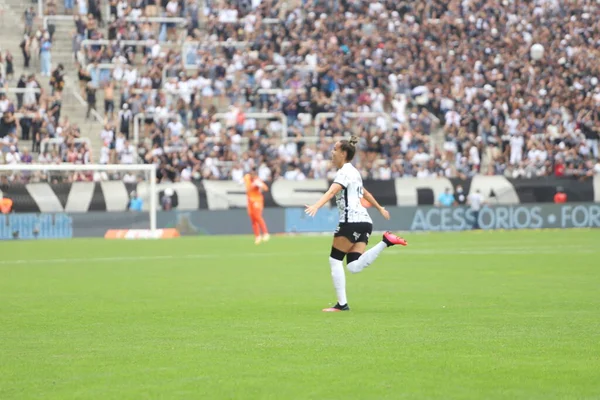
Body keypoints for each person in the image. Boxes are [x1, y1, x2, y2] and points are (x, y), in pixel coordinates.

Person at [305, 136, 408, 313]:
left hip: (350, 221)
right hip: (365, 222)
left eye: (335, 149)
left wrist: (316, 205)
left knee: (335, 260)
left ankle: (342, 304)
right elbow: (365, 193)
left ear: (343, 153)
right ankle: (386, 241)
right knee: (353, 266)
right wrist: (379, 208)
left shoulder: (344, 172)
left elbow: (333, 191)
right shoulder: (354, 171)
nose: (332, 152)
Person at [244, 168, 270, 244]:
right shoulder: (247, 177)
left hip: (257, 200)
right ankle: (257, 236)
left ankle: (265, 233)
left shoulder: (257, 180)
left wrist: (260, 185)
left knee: (257, 216)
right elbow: (244, 180)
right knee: (253, 218)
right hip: (250, 201)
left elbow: (266, 188)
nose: (252, 176)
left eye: (254, 174)